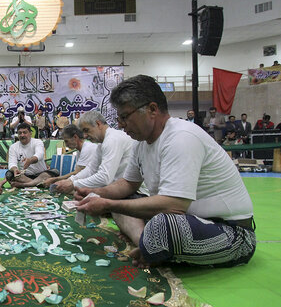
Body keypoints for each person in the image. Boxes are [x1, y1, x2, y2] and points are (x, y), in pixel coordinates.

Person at [76, 75, 255, 268]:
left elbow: (174, 204)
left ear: (152, 109)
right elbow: (127, 184)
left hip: (229, 231)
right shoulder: (140, 143)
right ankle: (146, 244)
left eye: (125, 117)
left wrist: (108, 204)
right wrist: (96, 194)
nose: (120, 124)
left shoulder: (181, 137)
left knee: (163, 226)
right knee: (126, 204)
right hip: (182, 218)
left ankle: (151, 244)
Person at [51, 110, 135, 194]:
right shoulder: (101, 144)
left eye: (86, 130)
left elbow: (104, 178)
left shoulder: (112, 139)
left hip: (129, 192)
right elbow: (91, 169)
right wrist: (70, 180)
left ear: (98, 124)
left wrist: (73, 184)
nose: (84, 135)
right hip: (114, 188)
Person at [42, 124, 99, 188]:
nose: (66, 145)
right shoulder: (79, 151)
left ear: (75, 137)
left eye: (66, 141)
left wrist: (55, 179)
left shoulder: (87, 148)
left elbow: (78, 173)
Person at [6, 123, 59, 187]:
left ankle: (25, 184)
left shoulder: (38, 142)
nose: (22, 135)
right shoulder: (13, 147)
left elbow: (40, 154)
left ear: (30, 133)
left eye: (25, 132)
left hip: (40, 175)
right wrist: (15, 170)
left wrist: (30, 160)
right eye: (20, 133)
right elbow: (12, 163)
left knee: (55, 171)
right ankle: (37, 184)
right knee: (9, 174)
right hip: (24, 176)